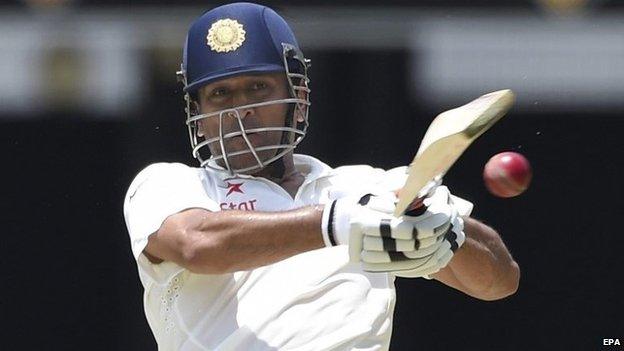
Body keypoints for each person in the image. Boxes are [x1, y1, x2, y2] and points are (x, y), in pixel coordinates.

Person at [123, 2, 520, 350]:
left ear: (298, 99)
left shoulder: (370, 188)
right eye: (220, 94)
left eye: (258, 88)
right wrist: (338, 221)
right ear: (198, 114)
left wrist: (446, 231)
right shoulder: (169, 186)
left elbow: (499, 282)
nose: (239, 109)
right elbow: (195, 244)